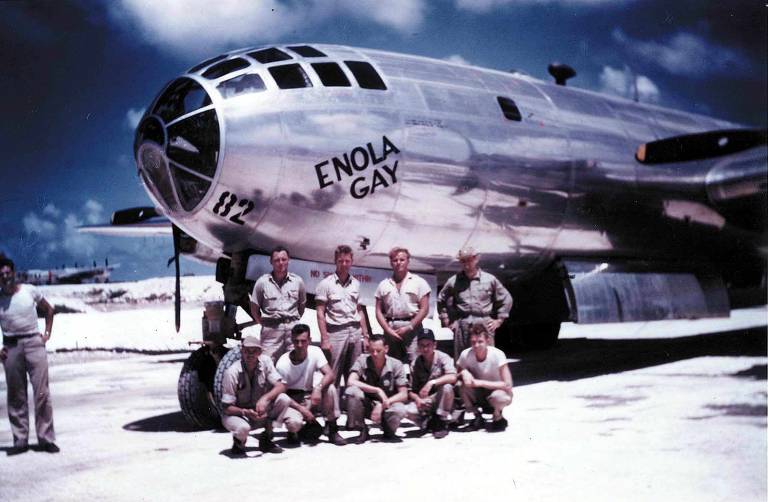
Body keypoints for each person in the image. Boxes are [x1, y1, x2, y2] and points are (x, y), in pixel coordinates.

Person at [0, 257, 58, 455]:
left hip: (34, 343)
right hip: (11, 347)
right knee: (16, 395)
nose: (5, 277)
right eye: (1, 275)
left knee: (42, 392)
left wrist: (47, 334)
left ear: (14, 273)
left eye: (7, 273)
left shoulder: (29, 291)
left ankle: (46, 439)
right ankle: (20, 441)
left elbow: (49, 310)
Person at [220, 335, 301, 455]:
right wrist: (244, 412)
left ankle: (267, 437)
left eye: (254, 351)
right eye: (247, 351)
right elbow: (226, 408)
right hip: (241, 415)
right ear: (242, 351)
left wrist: (265, 399)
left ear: (260, 352)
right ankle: (238, 442)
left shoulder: (266, 362)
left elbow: (282, 386)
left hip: (261, 412)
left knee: (285, 401)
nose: (250, 355)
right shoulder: (232, 372)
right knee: (243, 429)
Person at [276, 324, 347, 446]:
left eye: (303, 341)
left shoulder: (315, 351)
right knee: (294, 424)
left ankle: (332, 429)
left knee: (329, 389)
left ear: (309, 340)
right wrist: (302, 409)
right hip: (294, 399)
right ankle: (295, 431)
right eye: (296, 341)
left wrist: (318, 388)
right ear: (291, 340)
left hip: (311, 395)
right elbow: (281, 394)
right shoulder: (283, 363)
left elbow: (330, 374)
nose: (299, 345)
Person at [437, 246, 512, 359]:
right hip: (463, 326)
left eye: (469, 260)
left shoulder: (489, 280)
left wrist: (499, 320)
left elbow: (506, 298)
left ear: (476, 259)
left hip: (484, 324)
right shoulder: (453, 281)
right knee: (463, 359)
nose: (466, 264)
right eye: (463, 261)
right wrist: (447, 320)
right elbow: (441, 299)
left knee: (487, 358)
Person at [315, 245, 369, 387]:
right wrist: (325, 338)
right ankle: (332, 408)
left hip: (355, 332)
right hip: (336, 333)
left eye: (347, 261)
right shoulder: (325, 284)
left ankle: (352, 406)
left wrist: (365, 335)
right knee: (333, 374)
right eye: (340, 261)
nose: (344, 264)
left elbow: (360, 311)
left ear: (351, 261)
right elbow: (320, 312)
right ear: (335, 261)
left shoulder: (356, 284)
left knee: (355, 372)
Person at [345, 335, 408, 443]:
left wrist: (384, 403)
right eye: (371, 350)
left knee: (400, 409)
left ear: (386, 349)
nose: (374, 354)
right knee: (351, 392)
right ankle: (362, 429)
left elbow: (404, 394)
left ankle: (389, 430)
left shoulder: (396, 364)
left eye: (378, 351)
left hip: (387, 405)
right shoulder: (362, 360)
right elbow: (350, 381)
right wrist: (377, 390)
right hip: (368, 404)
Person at [374, 247, 431, 363]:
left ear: (408, 261)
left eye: (402, 260)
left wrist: (409, 326)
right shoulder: (383, 284)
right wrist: (387, 329)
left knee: (416, 363)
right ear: (391, 262)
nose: (398, 263)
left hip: (412, 328)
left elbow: (424, 309)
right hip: (391, 329)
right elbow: (378, 311)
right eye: (395, 260)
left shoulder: (418, 282)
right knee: (391, 364)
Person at [250, 246, 307, 361]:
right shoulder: (262, 282)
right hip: (271, 331)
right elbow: (254, 309)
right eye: (277, 260)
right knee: (267, 364)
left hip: (293, 331)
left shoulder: (298, 282)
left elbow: (301, 306)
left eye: (284, 259)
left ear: (288, 260)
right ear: (271, 262)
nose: (281, 263)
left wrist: (291, 321)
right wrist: (266, 324)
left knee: (294, 364)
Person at [456, 323, 513, 432]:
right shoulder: (465, 354)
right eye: (473, 342)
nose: (476, 345)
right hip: (478, 393)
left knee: (499, 397)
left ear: (487, 340)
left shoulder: (497, 354)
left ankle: (497, 416)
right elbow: (455, 375)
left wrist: (479, 383)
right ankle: (477, 416)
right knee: (461, 384)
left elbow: (508, 384)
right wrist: (463, 372)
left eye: (480, 342)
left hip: (496, 392)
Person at [404, 328, 457, 439]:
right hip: (427, 401)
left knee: (447, 387)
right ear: (418, 347)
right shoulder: (415, 363)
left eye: (428, 344)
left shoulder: (443, 358)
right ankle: (429, 422)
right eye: (422, 345)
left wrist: (432, 383)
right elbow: (411, 391)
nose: (425, 348)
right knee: (406, 410)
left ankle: (441, 422)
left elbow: (453, 376)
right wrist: (418, 400)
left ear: (435, 345)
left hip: (443, 399)